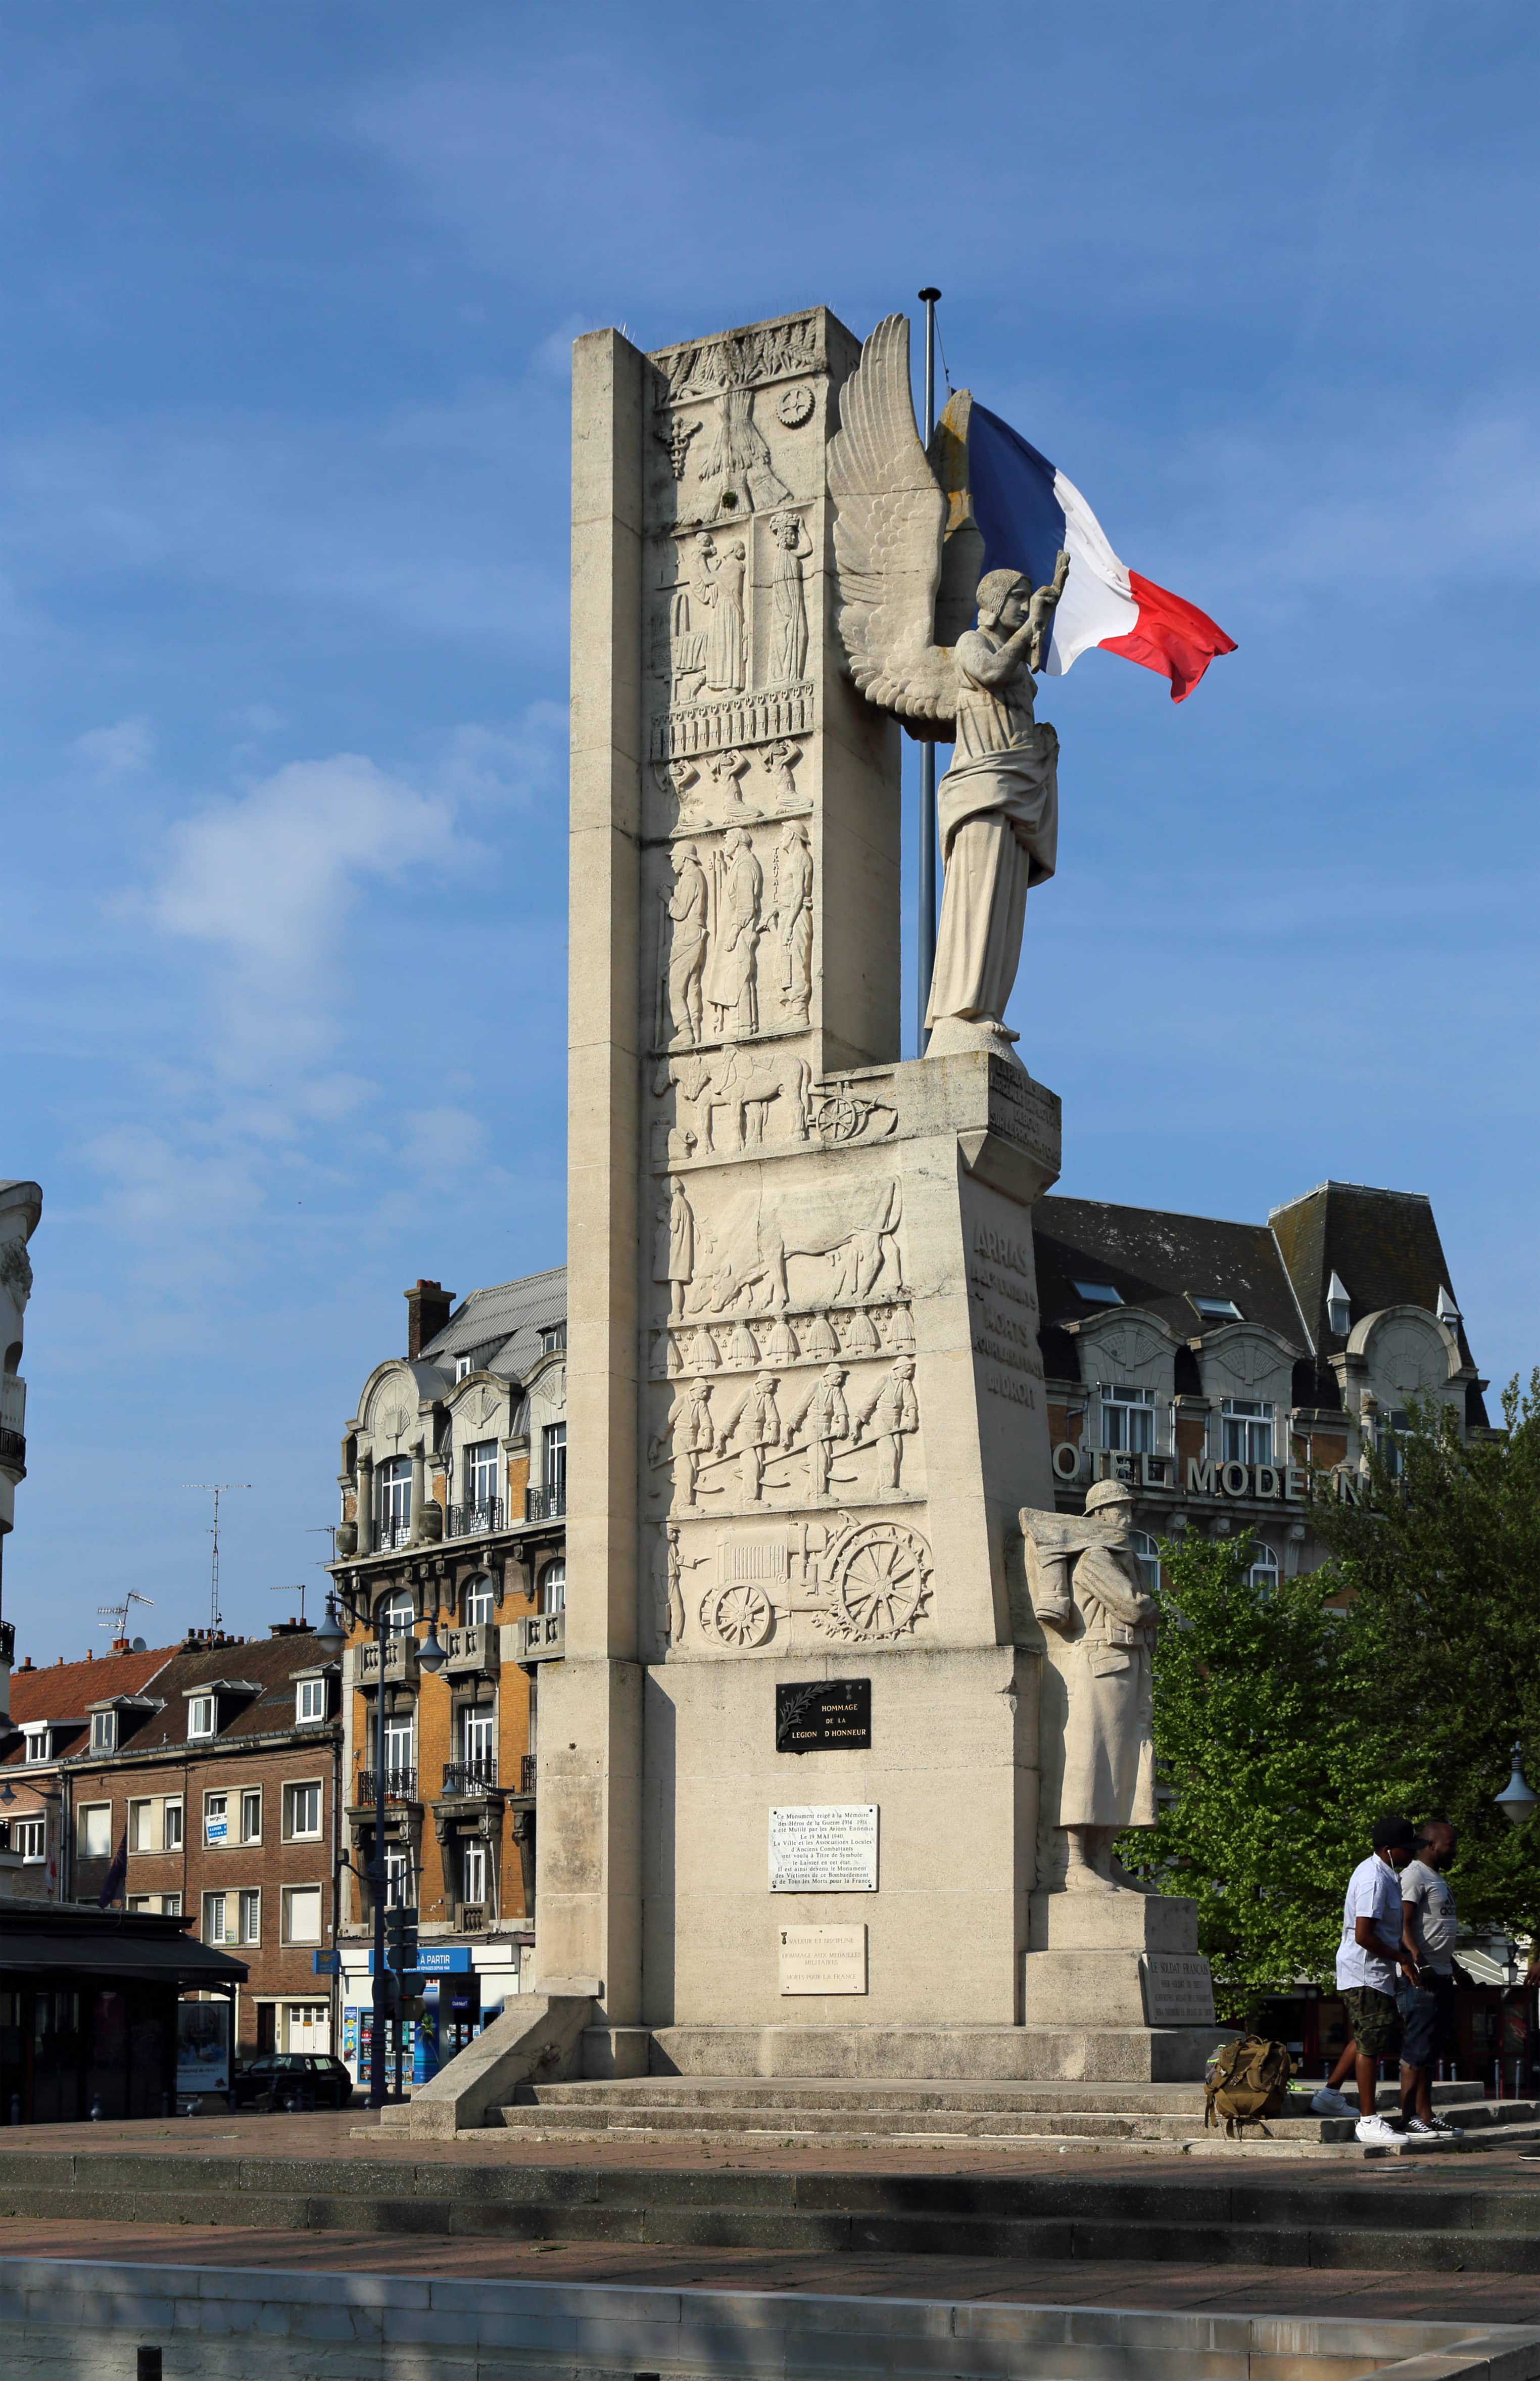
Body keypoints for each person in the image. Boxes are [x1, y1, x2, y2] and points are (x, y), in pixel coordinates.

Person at [1312, 1813, 1419, 2143]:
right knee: (1371, 2044)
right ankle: (1368, 2120)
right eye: (1406, 1848)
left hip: (1374, 1971)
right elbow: (1363, 1935)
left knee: (1367, 2035)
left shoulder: (1387, 1874)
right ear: (1388, 1849)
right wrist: (1402, 1958)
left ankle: (1329, 2095)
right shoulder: (1374, 1878)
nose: (1411, 1854)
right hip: (1364, 1971)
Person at [1398, 1818, 1471, 2138]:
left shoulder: (1435, 1878)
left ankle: (1426, 2116)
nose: (1454, 1850)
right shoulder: (1414, 1875)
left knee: (1429, 2050)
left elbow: (1436, 1932)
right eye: (1450, 1845)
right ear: (1431, 1845)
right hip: (1420, 1978)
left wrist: (1456, 1969)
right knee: (1416, 2050)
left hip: (1440, 1974)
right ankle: (1408, 2117)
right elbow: (1402, 1924)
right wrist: (1418, 1961)